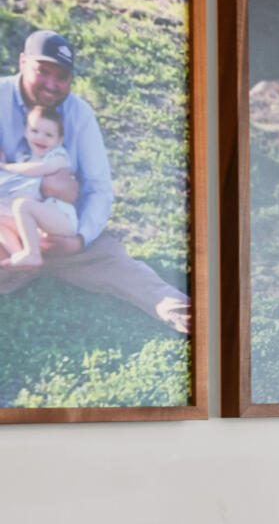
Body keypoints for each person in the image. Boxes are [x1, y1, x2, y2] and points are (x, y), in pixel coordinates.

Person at [0, 28, 192, 334]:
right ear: (22, 62)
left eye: (61, 76)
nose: (51, 84)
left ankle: (185, 314)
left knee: (119, 265)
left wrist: (79, 240)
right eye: (42, 71)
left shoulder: (79, 113)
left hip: (59, 233)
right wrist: (42, 186)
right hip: (6, 232)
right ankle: (17, 272)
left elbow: (98, 188)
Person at [0, 101, 82, 265]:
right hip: (40, 223)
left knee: (22, 205)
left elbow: (42, 168)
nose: (40, 138)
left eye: (49, 135)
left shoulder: (58, 156)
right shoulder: (25, 159)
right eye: (34, 131)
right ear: (25, 132)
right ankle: (18, 255)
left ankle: (32, 255)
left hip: (61, 218)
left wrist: (7, 167)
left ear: (59, 140)